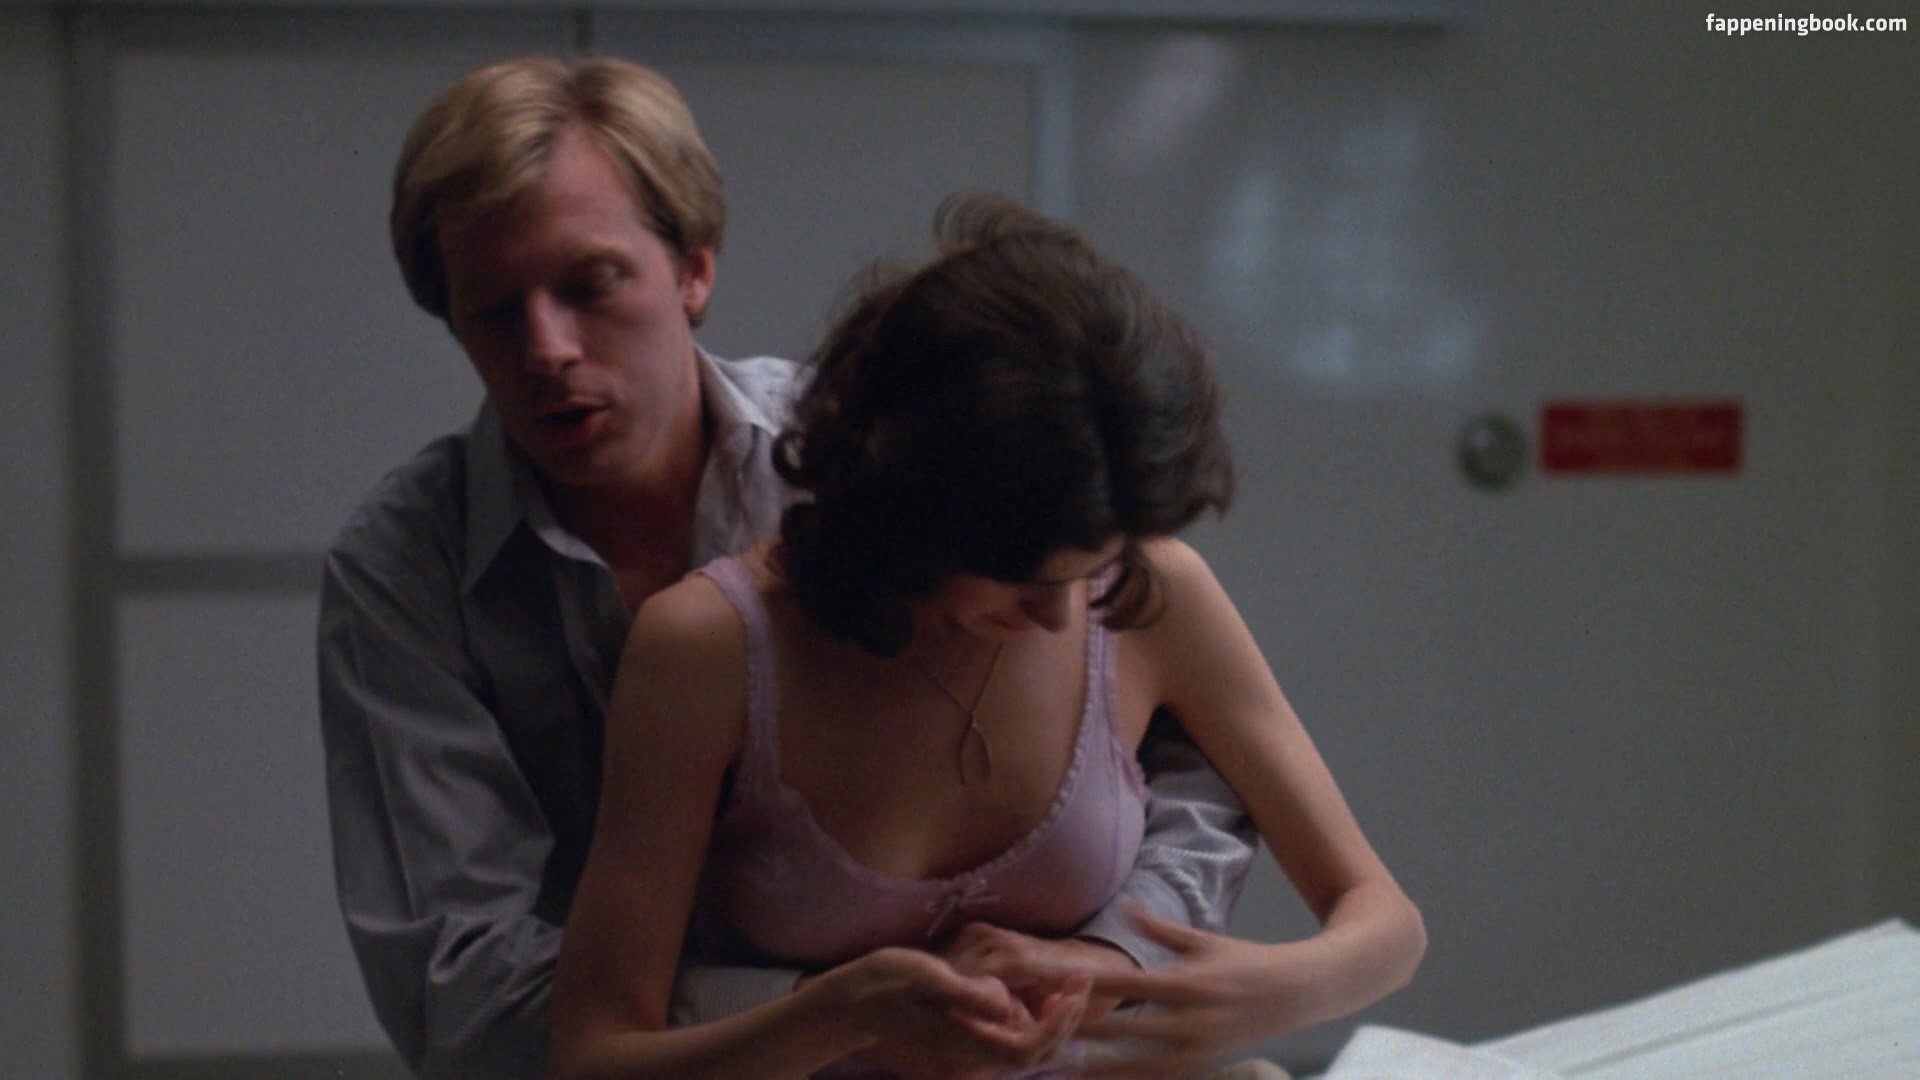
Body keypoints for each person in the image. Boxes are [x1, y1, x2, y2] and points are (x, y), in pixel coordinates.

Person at [317, 55, 1258, 1079]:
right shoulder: (405, 571)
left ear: (694, 270)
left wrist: (1107, 957)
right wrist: (841, 1017)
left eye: (592, 285)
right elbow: (465, 987)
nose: (547, 349)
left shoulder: (865, 457)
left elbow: (1162, 736)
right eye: (495, 310)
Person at [547, 195, 1427, 1079]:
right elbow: (592, 1058)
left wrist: (1272, 988)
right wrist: (841, 1015)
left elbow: (1385, 923)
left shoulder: (1152, 595)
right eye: (1020, 579)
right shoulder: (708, 651)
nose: (1062, 615)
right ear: (909, 510)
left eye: (1093, 566)